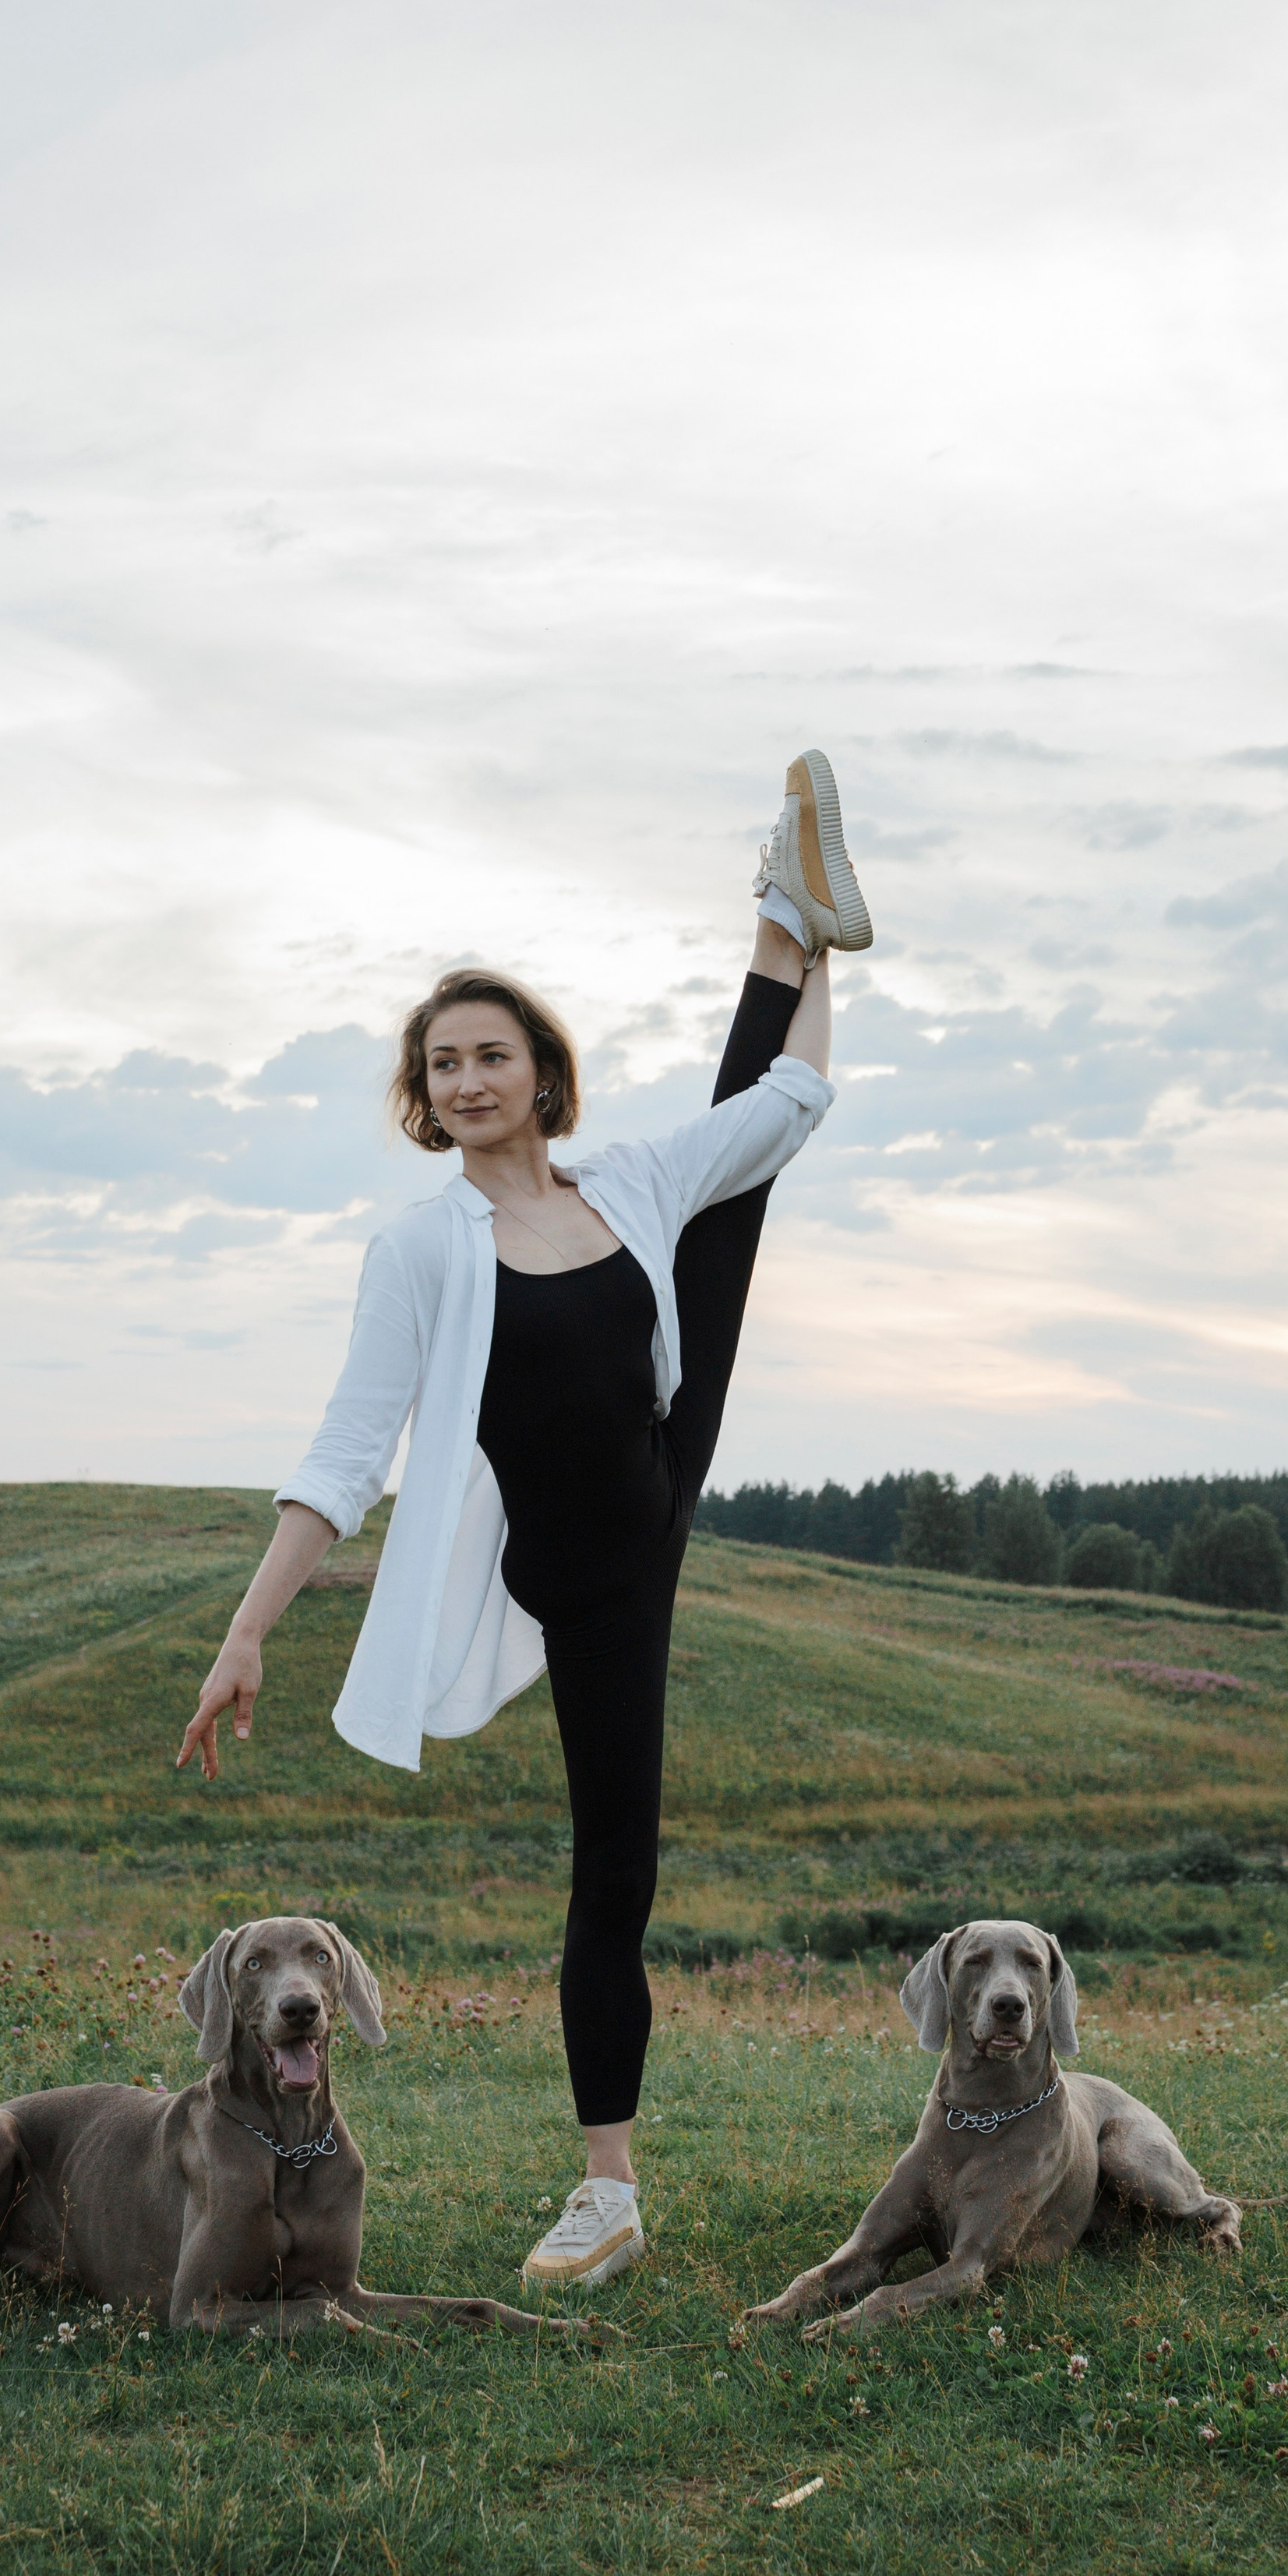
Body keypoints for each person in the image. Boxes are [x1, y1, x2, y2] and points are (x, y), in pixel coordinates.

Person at [176, 751, 873, 2291]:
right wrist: (247, 1632)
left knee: (739, 1171)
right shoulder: (423, 1251)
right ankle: (605, 2189)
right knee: (611, 1861)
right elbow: (347, 1454)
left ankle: (791, 914)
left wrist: (828, 960)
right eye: (442, 1067)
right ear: (425, 1105)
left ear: (539, 1073)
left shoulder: (622, 1179)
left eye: (490, 1054)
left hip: (660, 1453)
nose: (469, 1080)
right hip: (584, 1565)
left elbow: (797, 1095)